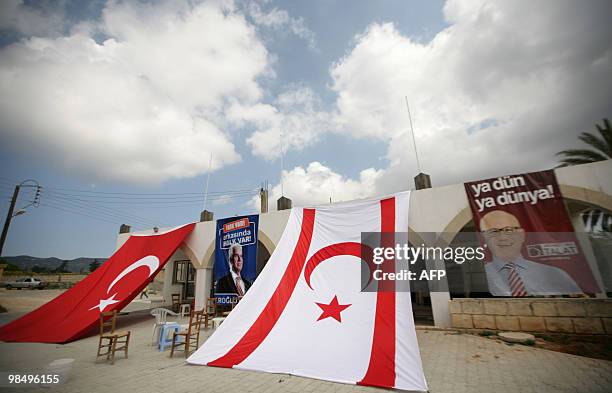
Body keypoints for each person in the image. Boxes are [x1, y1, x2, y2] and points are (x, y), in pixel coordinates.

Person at [480, 210, 582, 296]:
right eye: (493, 232)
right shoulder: (482, 277)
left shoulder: (555, 274)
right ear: (484, 239)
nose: (502, 237)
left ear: (522, 235)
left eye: (509, 230)